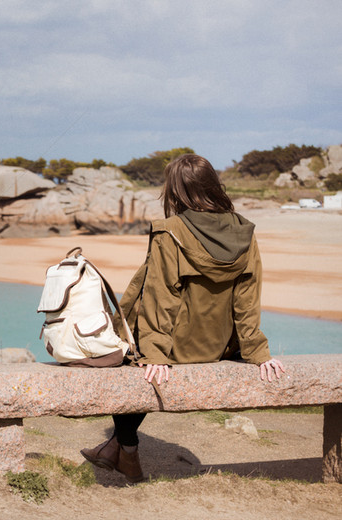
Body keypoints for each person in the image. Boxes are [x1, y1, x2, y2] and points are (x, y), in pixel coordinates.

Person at [80, 153, 285, 483]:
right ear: (212, 185)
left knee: (126, 358)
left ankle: (128, 452)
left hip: (177, 346)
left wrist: (156, 353)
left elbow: (162, 297)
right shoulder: (244, 231)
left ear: (176, 192)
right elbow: (248, 297)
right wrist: (257, 351)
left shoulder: (171, 231)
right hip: (217, 345)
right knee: (138, 358)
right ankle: (112, 448)